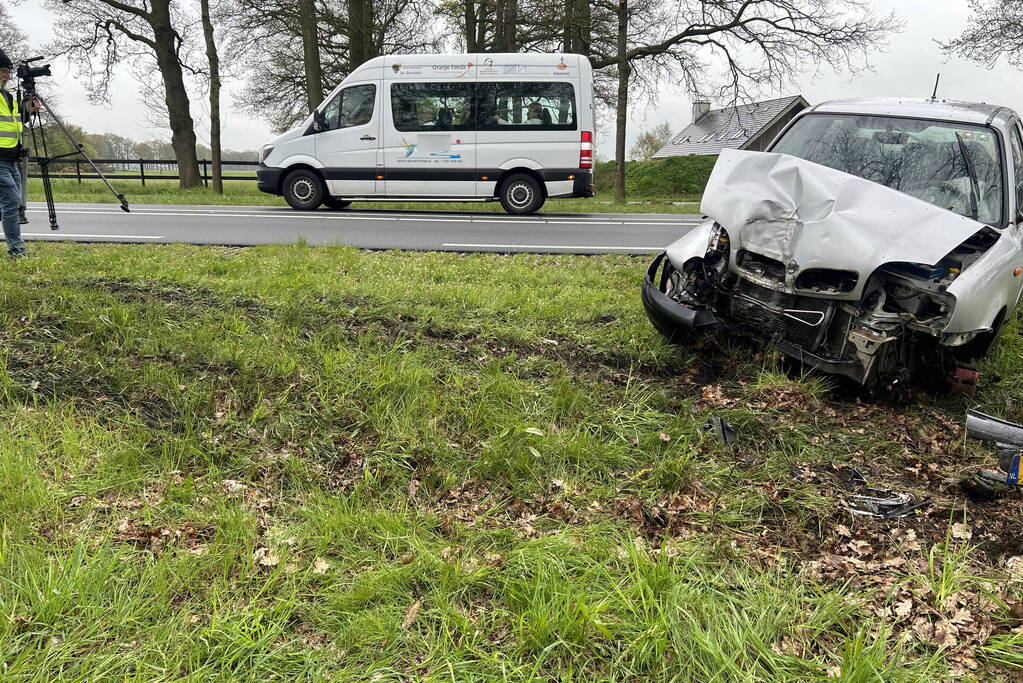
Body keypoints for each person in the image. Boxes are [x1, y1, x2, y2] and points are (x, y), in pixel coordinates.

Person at [0, 49, 41, 257]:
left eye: (9, 71)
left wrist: (27, 110)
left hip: (11, 160)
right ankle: (16, 250)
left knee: (9, 205)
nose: (8, 75)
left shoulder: (7, 96)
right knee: (12, 203)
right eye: (4, 71)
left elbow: (16, 123)